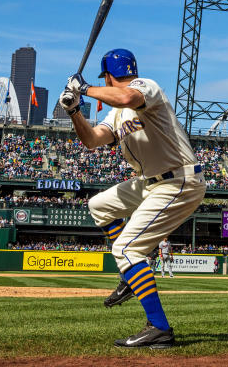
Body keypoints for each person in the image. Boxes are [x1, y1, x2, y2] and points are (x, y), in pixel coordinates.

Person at [60, 48, 206, 349]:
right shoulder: (115, 114)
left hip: (179, 179)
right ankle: (131, 275)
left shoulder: (145, 86)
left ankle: (159, 328)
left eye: (105, 80)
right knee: (98, 205)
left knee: (125, 249)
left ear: (109, 77)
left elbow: (127, 97)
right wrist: (75, 111)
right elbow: (91, 141)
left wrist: (84, 87)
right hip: (150, 181)